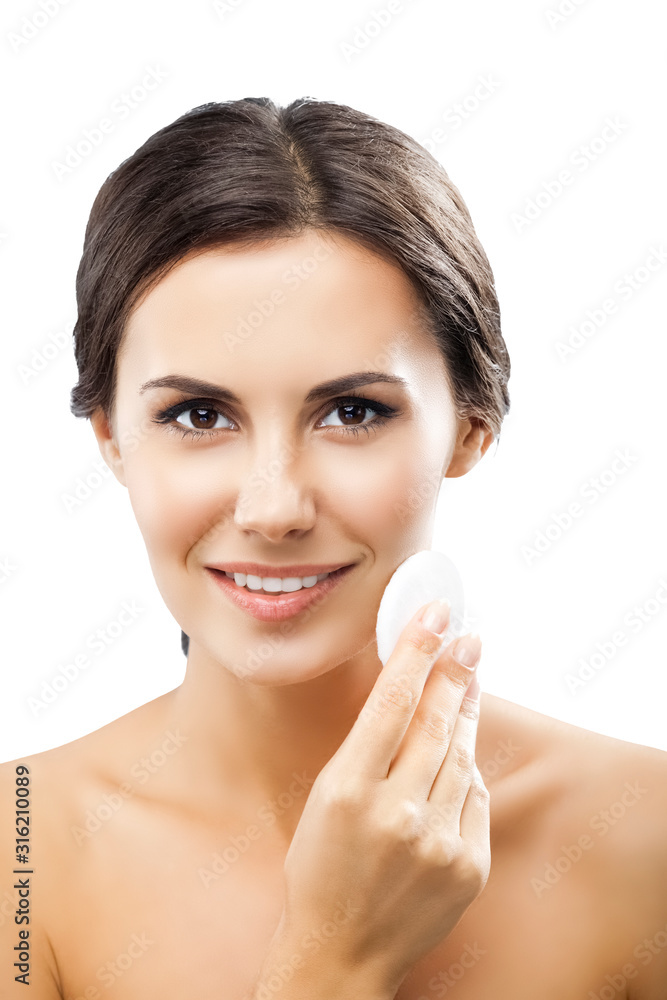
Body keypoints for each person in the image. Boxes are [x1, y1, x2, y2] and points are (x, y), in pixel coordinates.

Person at [2, 96, 666, 1000]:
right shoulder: (18, 852)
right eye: (197, 415)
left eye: (352, 411)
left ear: (471, 426)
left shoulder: (643, 836)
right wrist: (334, 958)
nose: (273, 508)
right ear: (111, 438)